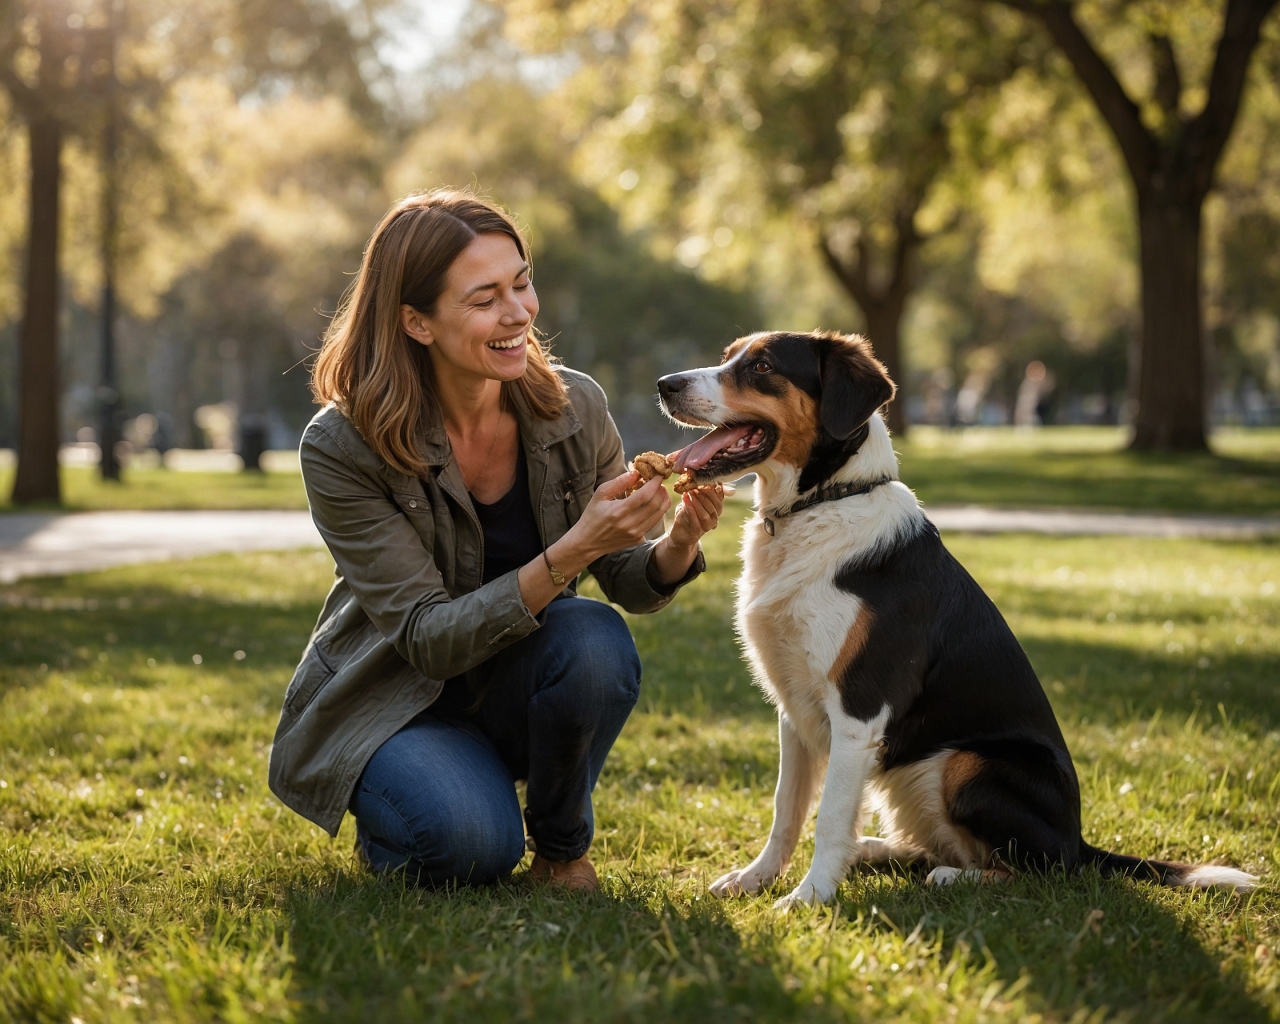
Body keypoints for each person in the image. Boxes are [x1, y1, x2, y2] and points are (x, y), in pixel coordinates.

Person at [267, 190, 725, 892]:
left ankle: (561, 853)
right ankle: (413, 798)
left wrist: (678, 543)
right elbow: (425, 638)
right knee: (466, 849)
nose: (518, 313)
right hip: (398, 701)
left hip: (517, 684)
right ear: (416, 322)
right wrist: (573, 548)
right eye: (485, 299)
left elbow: (629, 583)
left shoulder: (576, 406)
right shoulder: (341, 444)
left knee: (593, 637)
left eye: (522, 283)